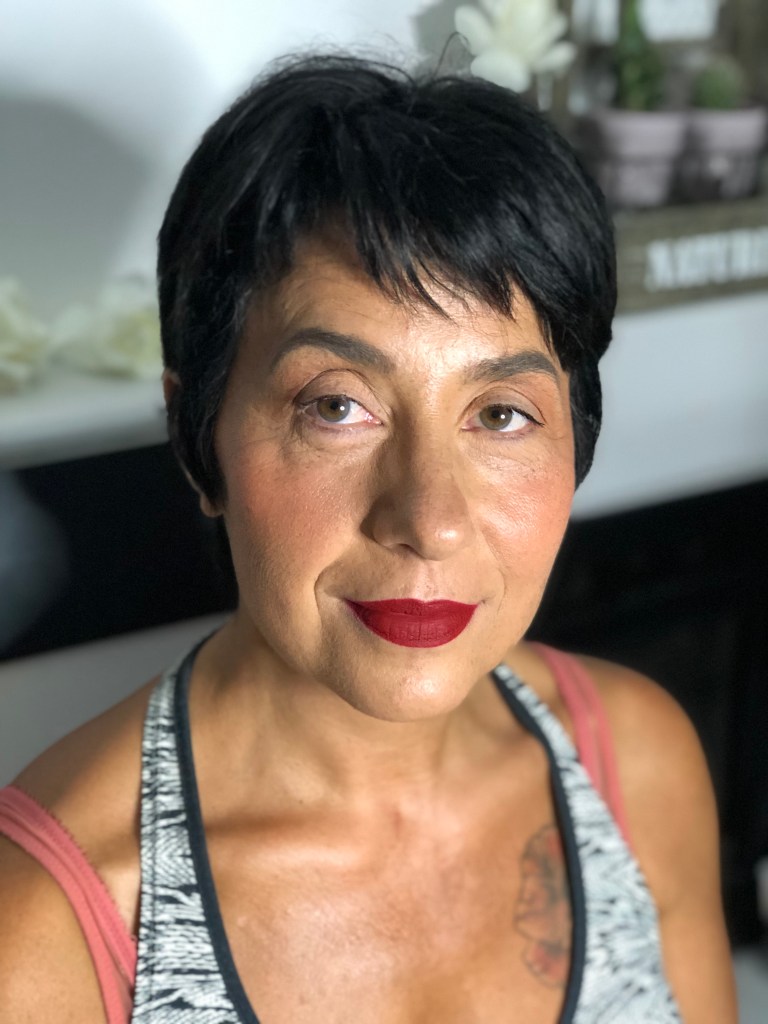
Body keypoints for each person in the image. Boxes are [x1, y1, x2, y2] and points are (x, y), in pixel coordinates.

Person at [0, 54, 736, 1023]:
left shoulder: (637, 763)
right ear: (197, 440)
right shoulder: (43, 925)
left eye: (502, 413)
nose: (428, 520)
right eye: (336, 406)